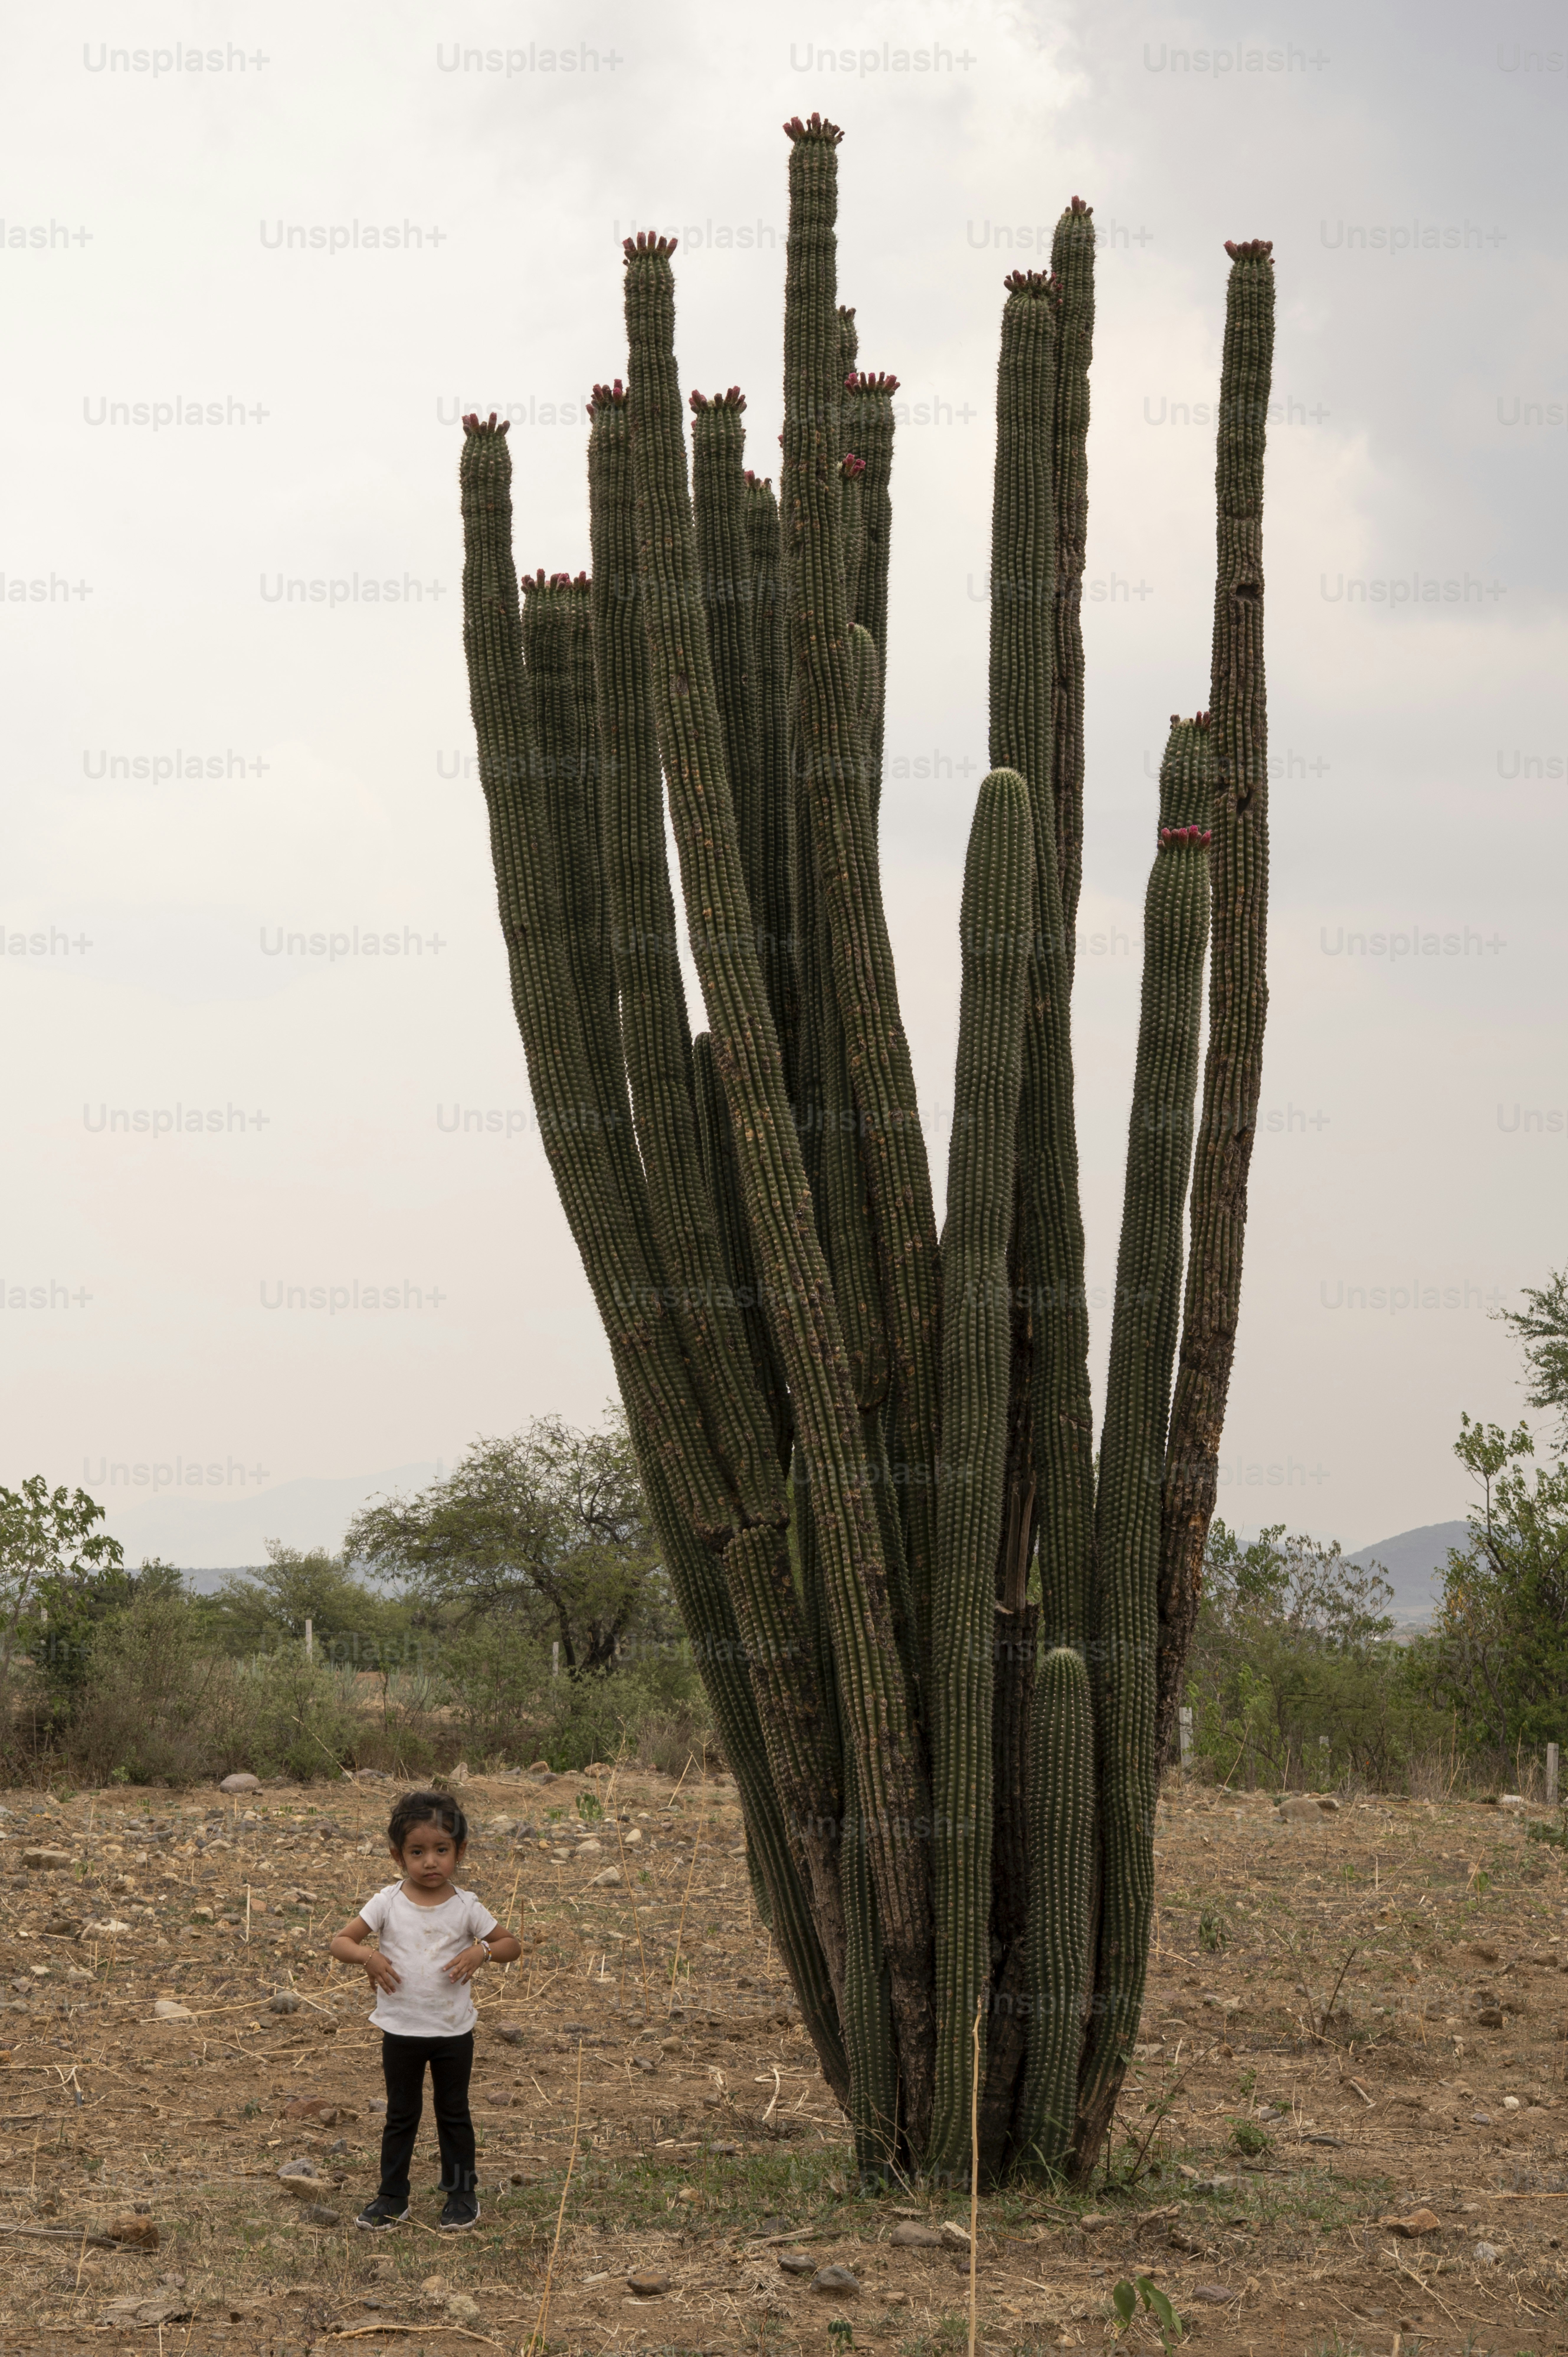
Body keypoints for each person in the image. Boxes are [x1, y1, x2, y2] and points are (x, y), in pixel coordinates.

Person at [329, 1788, 520, 2230]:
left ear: (460, 1851)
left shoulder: (466, 1906)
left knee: (454, 2112)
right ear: (399, 1856)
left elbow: (511, 1944)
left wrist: (482, 1953)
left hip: (453, 2032)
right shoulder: (387, 1902)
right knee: (401, 2113)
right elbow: (341, 1941)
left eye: (441, 1850)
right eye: (418, 1852)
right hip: (400, 2030)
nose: (430, 1862)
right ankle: (393, 2196)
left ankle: (461, 2193)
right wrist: (368, 1957)